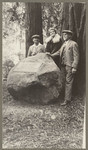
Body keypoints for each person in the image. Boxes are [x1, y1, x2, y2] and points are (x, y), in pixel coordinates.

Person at [51, 30, 79, 106]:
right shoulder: (63, 44)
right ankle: (63, 97)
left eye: (66, 35)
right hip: (63, 65)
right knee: (63, 80)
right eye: (63, 35)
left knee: (68, 82)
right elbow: (59, 52)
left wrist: (74, 67)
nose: (64, 36)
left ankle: (67, 100)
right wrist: (51, 55)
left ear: (70, 36)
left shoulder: (73, 44)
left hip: (70, 66)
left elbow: (76, 56)